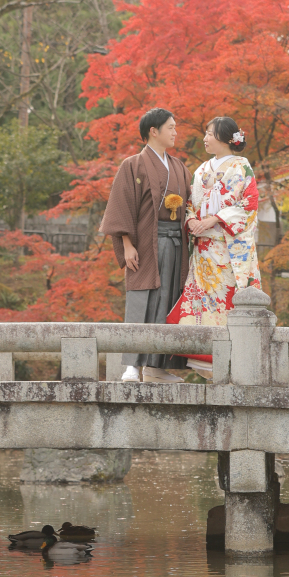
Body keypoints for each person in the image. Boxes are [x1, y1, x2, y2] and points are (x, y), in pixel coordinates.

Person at [100, 107, 192, 383]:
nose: (176, 132)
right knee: (142, 300)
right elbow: (122, 206)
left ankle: (156, 367)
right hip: (145, 244)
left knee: (169, 302)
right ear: (154, 131)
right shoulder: (133, 165)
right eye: (171, 127)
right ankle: (132, 366)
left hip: (176, 244)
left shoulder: (178, 167)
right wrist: (127, 244)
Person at [173, 116, 261, 377]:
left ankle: (228, 358)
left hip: (227, 248)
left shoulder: (242, 168)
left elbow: (249, 206)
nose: (205, 138)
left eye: (209, 134)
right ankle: (201, 356)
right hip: (203, 249)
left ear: (224, 138)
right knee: (202, 300)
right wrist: (190, 220)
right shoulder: (201, 169)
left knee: (225, 299)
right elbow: (191, 201)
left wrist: (213, 219)